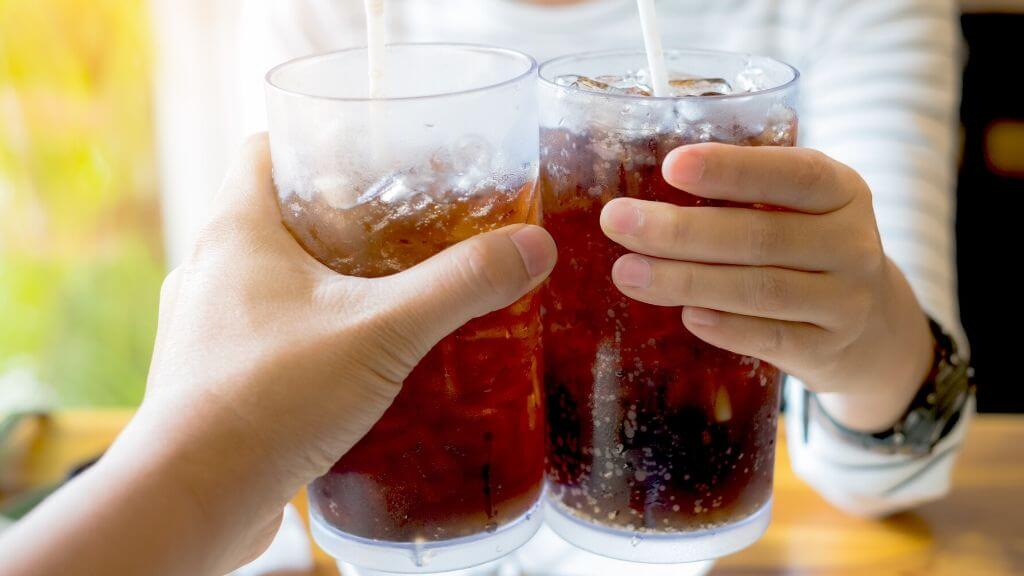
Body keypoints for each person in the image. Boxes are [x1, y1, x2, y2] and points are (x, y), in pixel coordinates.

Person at [0, 0, 974, 574]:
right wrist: (211, 461)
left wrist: (872, 328)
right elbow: (276, 405)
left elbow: (887, 479)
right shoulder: (338, 37)